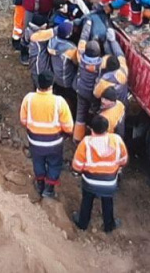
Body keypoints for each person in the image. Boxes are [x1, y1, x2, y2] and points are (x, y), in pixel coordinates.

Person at [19, 71, 74, 200]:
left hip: (35, 141)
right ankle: (49, 190)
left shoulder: (29, 98)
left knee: (38, 162)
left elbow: (23, 120)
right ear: (51, 85)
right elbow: (69, 127)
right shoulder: (59, 102)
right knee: (54, 164)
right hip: (54, 143)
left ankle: (40, 185)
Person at [71, 114, 128, 234]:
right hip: (110, 182)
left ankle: (82, 223)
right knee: (108, 202)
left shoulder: (86, 143)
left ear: (91, 129)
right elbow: (124, 160)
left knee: (87, 200)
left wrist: (84, 169)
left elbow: (76, 166)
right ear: (107, 129)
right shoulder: (116, 140)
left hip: (90, 182)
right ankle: (109, 225)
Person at [73, 40, 104, 141]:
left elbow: (81, 44)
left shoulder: (82, 60)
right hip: (93, 94)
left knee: (80, 113)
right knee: (96, 113)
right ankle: (94, 134)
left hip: (81, 91)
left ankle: (77, 137)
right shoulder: (100, 65)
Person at [26, 16, 57, 89]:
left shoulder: (28, 30)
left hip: (32, 62)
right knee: (40, 84)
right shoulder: (40, 39)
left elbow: (24, 41)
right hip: (38, 67)